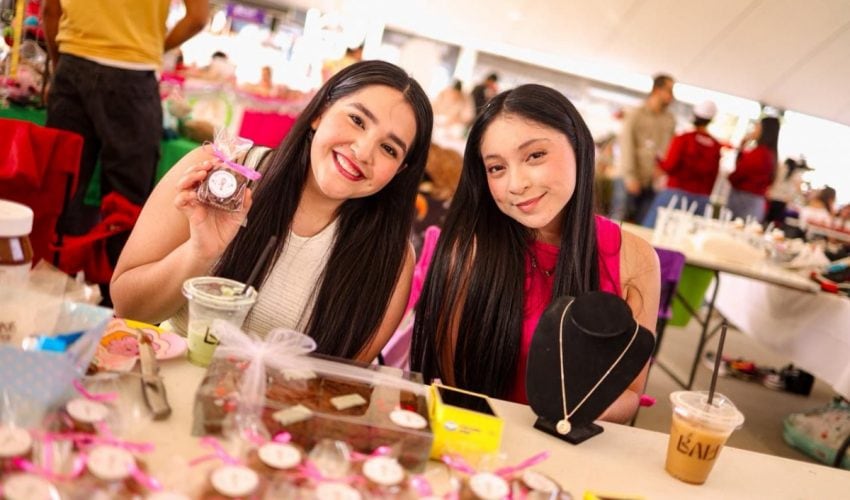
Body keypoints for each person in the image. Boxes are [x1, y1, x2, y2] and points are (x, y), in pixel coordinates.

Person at [110, 61, 434, 363]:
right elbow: (128, 308)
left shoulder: (390, 261)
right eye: (357, 120)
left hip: (272, 407)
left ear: (400, 171)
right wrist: (199, 253)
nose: (363, 151)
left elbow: (340, 383)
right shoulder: (219, 174)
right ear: (320, 113)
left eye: (389, 148)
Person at [410, 84, 660, 423]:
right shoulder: (469, 252)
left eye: (534, 156)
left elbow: (630, 391)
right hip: (479, 437)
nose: (516, 184)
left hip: (573, 445)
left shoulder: (635, 259)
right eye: (497, 168)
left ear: (579, 146)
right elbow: (452, 386)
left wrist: (570, 413)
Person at [42, 0, 209, 246]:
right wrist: (154, 47)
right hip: (133, 74)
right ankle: (110, 269)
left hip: (73, 67)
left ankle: (51, 261)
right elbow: (197, 18)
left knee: (60, 189)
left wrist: (58, 67)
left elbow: (50, 11)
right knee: (124, 205)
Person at [642, 100, 722, 227]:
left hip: (675, 194)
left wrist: (657, 159)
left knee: (653, 229)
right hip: (701, 200)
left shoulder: (683, 139)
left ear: (694, 116)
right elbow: (714, 176)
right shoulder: (716, 146)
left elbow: (669, 166)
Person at [617, 74, 676, 223]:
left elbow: (669, 148)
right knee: (619, 224)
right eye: (669, 90)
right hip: (630, 180)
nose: (672, 96)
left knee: (642, 227)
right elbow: (626, 145)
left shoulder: (669, 119)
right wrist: (630, 177)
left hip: (653, 183)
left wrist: (662, 170)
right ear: (656, 90)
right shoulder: (635, 114)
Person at [727, 116, 780, 222]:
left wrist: (730, 176)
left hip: (744, 201)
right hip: (756, 202)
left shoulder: (758, 154)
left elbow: (737, 176)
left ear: (764, 131)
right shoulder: (771, 155)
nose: (754, 130)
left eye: (757, 127)